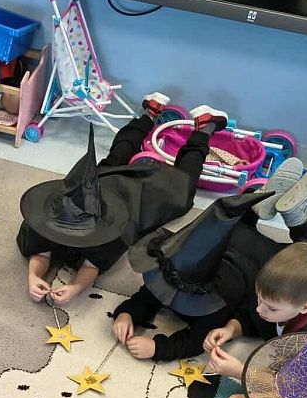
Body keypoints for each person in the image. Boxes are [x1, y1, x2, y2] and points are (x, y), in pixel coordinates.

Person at [115, 161, 307, 361]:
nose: (259, 309)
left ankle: (278, 211)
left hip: (260, 258)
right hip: (234, 244)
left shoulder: (216, 301)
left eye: (268, 307)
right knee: (230, 228)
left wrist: (158, 348)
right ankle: (259, 205)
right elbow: (147, 296)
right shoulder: (170, 272)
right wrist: (127, 314)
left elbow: (196, 341)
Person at [18, 96, 221, 306]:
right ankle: (149, 114)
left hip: (137, 195)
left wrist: (76, 287)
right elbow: (42, 252)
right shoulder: (47, 215)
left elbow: (91, 266)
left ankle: (202, 131)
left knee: (182, 191)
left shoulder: (111, 231)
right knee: (116, 157)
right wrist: (34, 277)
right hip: (101, 181)